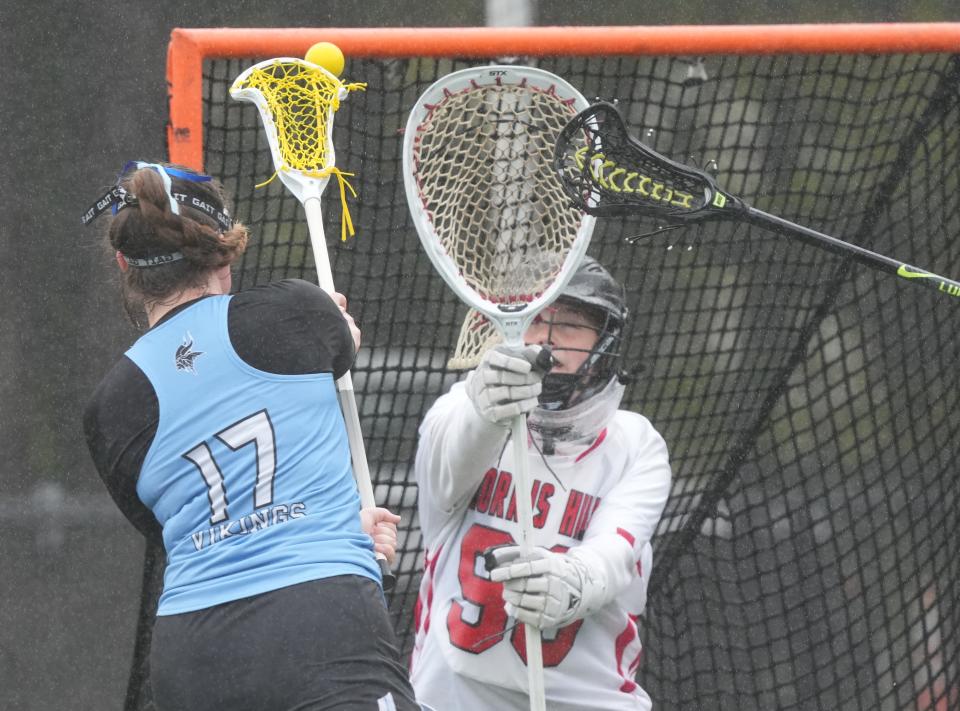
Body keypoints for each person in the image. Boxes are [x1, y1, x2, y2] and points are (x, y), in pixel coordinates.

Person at [82, 161, 421, 711]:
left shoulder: (109, 408)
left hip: (193, 649)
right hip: (322, 620)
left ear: (125, 264)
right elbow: (343, 343)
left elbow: (187, 530)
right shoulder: (295, 311)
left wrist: (341, 524)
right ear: (224, 249)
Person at [410, 257, 672, 710]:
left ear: (604, 343)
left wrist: (571, 581)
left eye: (568, 325)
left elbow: (615, 553)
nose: (544, 341)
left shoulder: (635, 444)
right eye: (531, 319)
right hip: (449, 698)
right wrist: (485, 410)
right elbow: (451, 468)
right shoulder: (455, 410)